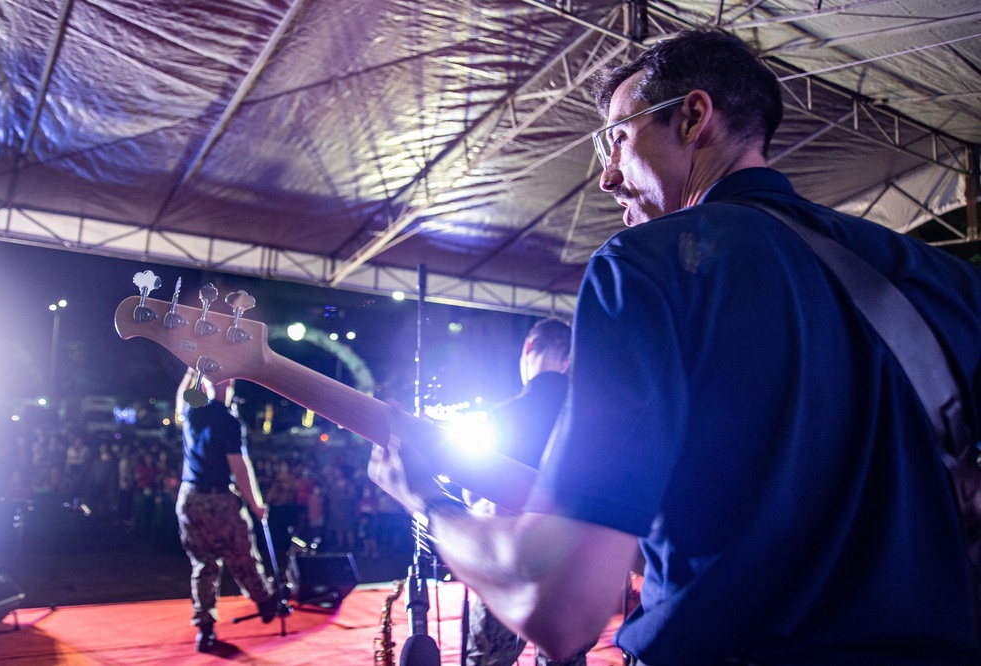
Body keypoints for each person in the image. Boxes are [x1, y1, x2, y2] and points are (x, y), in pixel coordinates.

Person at [369, 28, 981, 665]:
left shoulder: (644, 266)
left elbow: (562, 608)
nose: (606, 177)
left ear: (693, 117)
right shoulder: (942, 280)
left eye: (617, 140)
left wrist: (429, 505)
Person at [463, 317, 592, 666]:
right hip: (574, 566)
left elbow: (477, 497)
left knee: (488, 659)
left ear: (528, 347)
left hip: (512, 562)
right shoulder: (588, 423)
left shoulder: (503, 416)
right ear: (567, 361)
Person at [174, 368, 277, 652]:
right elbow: (239, 468)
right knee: (241, 553)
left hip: (190, 498)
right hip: (219, 498)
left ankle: (205, 627)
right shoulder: (229, 421)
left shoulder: (194, 412)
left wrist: (190, 371)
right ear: (229, 382)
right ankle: (265, 601)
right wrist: (255, 504)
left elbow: (181, 399)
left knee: (203, 564)